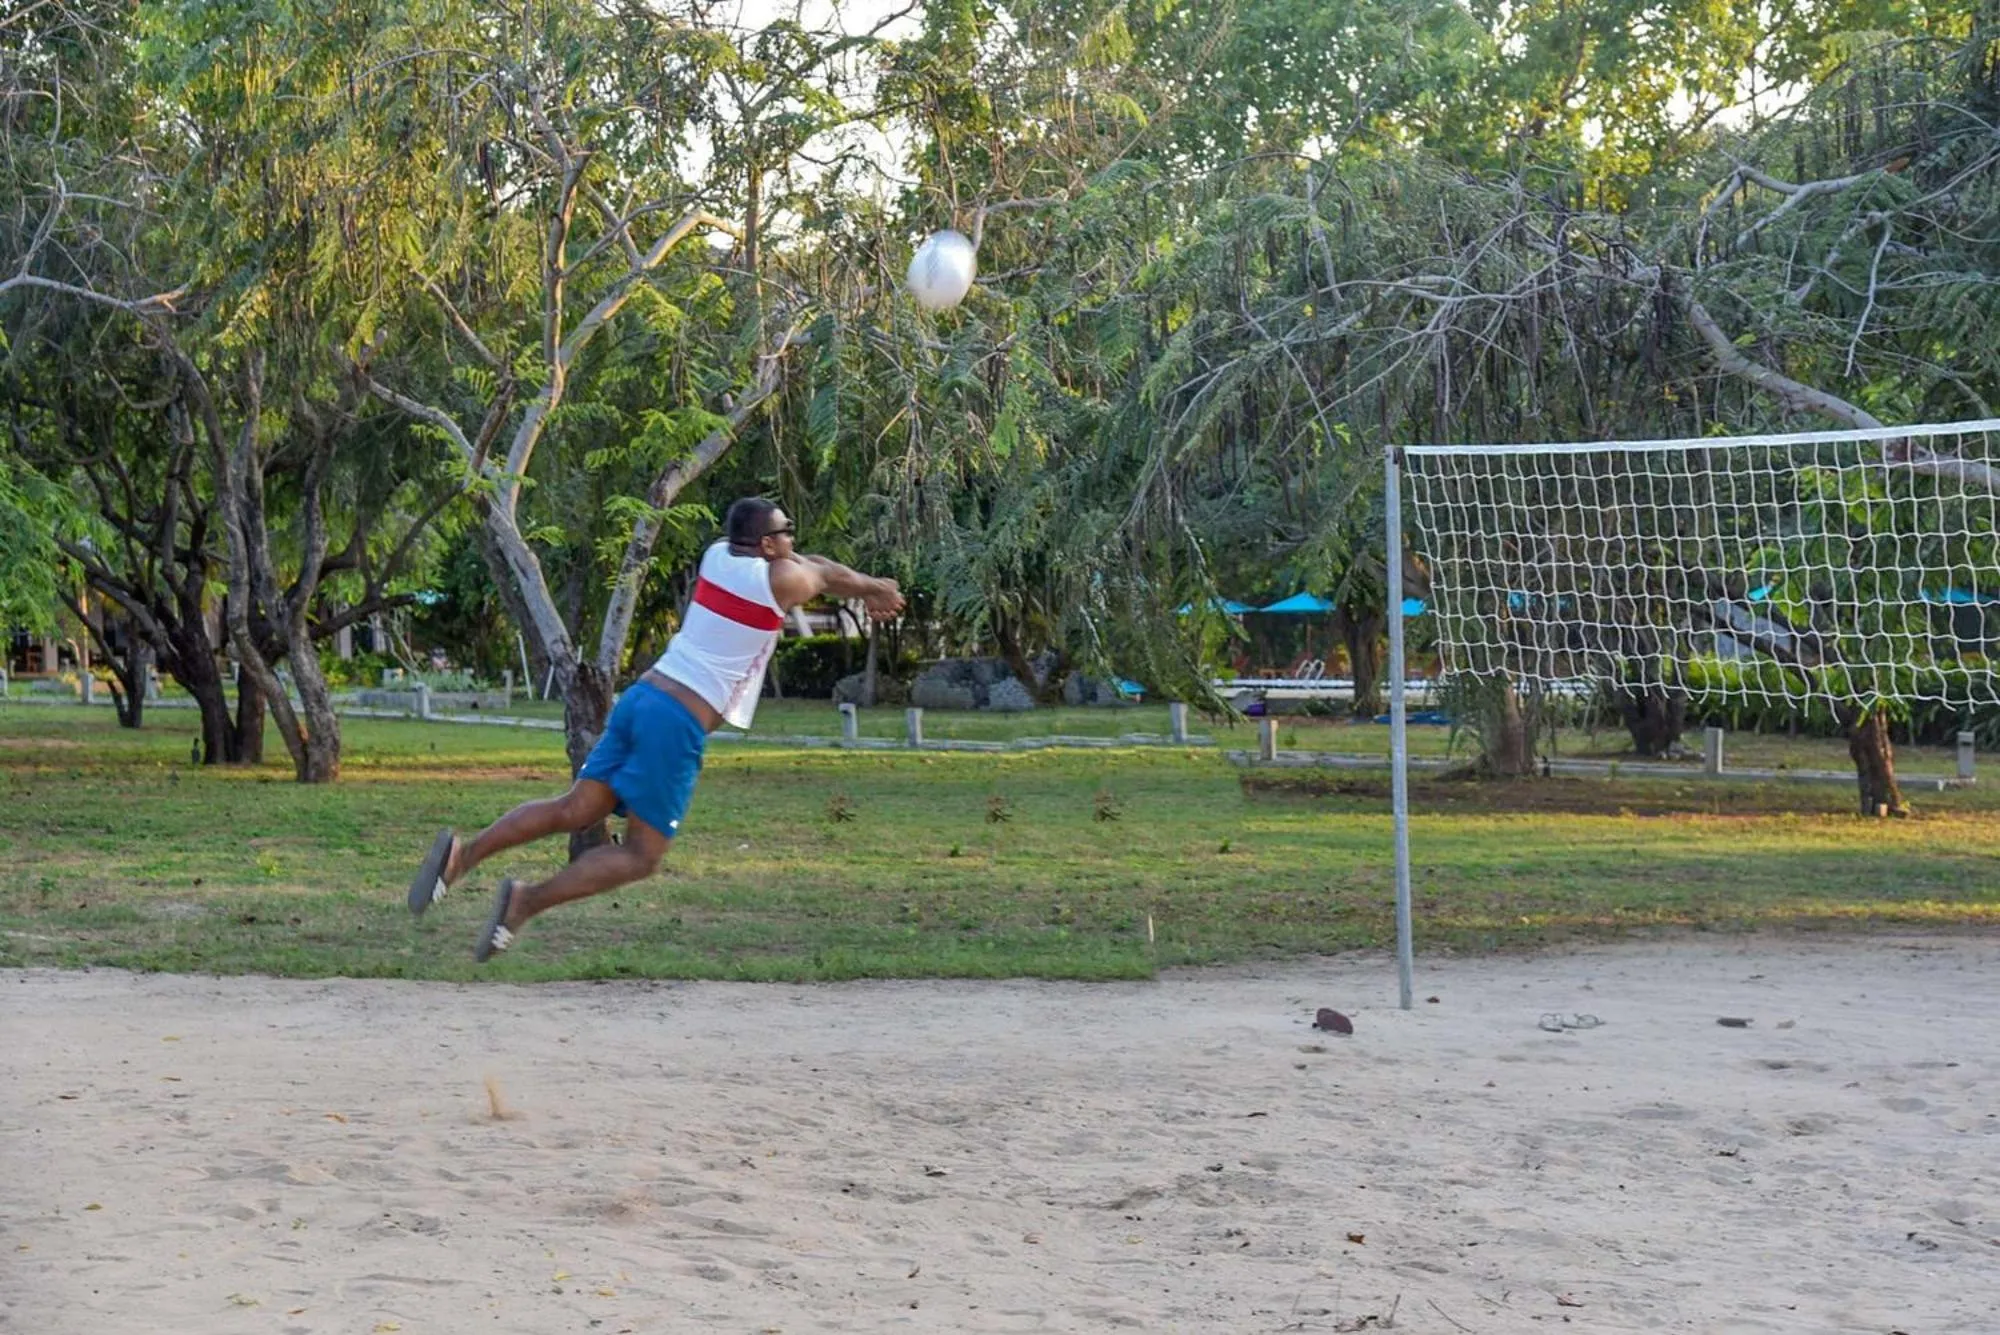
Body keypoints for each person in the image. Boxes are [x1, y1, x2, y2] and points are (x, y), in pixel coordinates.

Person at [405, 498, 904, 961]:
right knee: (643, 856)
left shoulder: (716, 557)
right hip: (677, 720)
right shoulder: (780, 583)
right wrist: (874, 587)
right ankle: (524, 902)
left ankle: (461, 858)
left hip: (641, 699)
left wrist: (866, 582)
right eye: (786, 533)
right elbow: (818, 570)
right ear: (769, 546)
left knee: (575, 808)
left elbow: (814, 561)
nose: (794, 541)